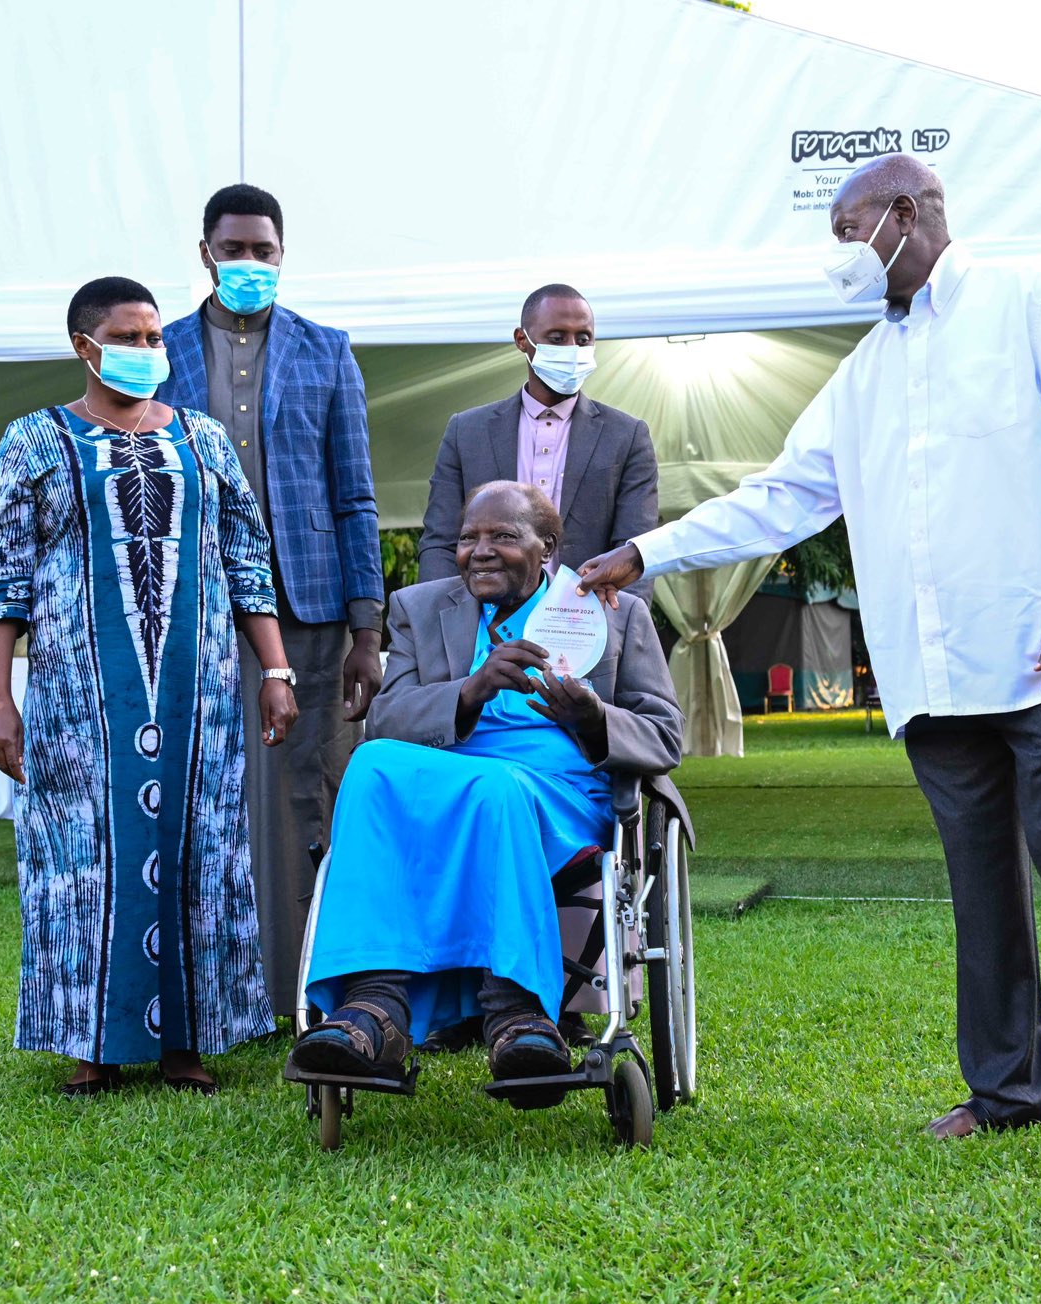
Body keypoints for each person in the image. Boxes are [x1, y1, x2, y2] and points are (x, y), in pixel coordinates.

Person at [579, 154, 1041, 1161]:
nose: (840, 257)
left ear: (905, 214)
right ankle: (1005, 1088)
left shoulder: (1030, 300)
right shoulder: (864, 372)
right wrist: (647, 550)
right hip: (935, 678)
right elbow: (779, 496)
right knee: (979, 885)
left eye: (846, 230)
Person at [0, 276, 295, 1096]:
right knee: (83, 853)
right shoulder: (36, 440)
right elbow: (1, 578)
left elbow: (247, 559)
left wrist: (277, 670)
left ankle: (189, 1043)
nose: (150, 351)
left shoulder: (204, 439)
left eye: (155, 338)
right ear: (86, 347)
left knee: (200, 845)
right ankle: (92, 1043)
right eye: (131, 337)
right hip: (82, 696)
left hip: (201, 688)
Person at [291, 481, 681, 1082]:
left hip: (556, 789)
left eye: (503, 536)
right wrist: (470, 690)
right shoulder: (419, 608)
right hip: (452, 773)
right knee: (371, 766)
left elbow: (665, 736)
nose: (481, 551)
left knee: (497, 788)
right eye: (468, 538)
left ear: (547, 547)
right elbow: (387, 720)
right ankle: (374, 1006)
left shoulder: (617, 612)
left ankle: (516, 1011)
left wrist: (592, 717)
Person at [154, 184, 386, 1031]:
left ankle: (313, 990)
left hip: (313, 609)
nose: (251, 264)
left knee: (310, 797)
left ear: (283, 254)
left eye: (266, 251)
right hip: (197, 608)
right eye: (236, 250)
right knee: (210, 794)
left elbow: (355, 498)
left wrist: (369, 627)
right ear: (205, 252)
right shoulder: (163, 348)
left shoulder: (328, 351)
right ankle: (215, 996)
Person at [418, 284, 658, 594]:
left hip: (586, 622)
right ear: (522, 340)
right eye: (557, 338)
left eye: (583, 339)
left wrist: (619, 631)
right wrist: (443, 624)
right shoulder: (467, 431)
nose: (573, 348)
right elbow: (441, 541)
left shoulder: (627, 436)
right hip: (483, 624)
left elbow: (636, 548)